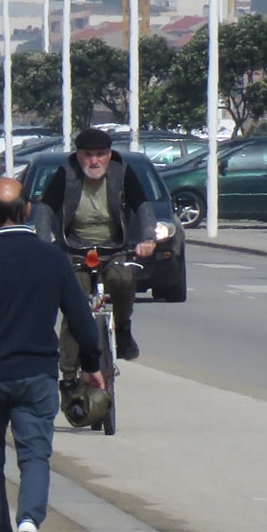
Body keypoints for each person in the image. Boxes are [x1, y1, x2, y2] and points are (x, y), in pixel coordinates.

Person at [0, 177, 104, 532]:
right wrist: (91, 364)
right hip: (36, 374)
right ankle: (29, 522)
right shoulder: (52, 259)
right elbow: (81, 320)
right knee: (35, 455)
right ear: (29, 210)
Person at [33, 126, 160, 362]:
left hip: (114, 248)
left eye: (100, 154)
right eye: (88, 155)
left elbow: (143, 207)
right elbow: (45, 209)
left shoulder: (123, 173)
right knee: (75, 306)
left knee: (123, 279)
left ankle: (122, 328)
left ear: (109, 155)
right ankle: (69, 373)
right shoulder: (66, 174)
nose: (94, 161)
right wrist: (43, 243)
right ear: (78, 155)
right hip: (75, 249)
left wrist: (148, 239)